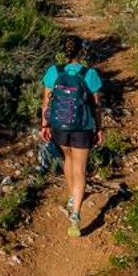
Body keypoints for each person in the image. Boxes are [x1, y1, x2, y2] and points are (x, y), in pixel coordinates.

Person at [40, 34, 105, 236]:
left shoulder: (53, 72)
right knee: (80, 168)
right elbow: (96, 107)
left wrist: (45, 125)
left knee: (67, 158)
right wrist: (99, 128)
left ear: (64, 51)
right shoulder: (90, 74)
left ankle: (72, 194)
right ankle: (75, 215)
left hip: (59, 126)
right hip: (82, 128)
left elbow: (46, 103)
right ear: (82, 52)